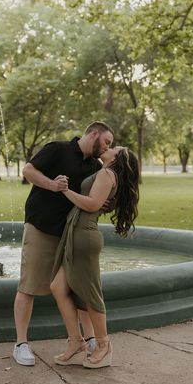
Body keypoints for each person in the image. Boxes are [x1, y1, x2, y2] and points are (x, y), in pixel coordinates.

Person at [12, 121, 115, 366]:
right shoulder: (58, 148)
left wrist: (102, 204)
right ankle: (20, 344)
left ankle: (88, 339)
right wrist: (52, 185)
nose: (107, 147)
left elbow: (90, 198)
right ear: (95, 134)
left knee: (76, 287)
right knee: (28, 285)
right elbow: (28, 171)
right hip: (41, 227)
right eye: (107, 142)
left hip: (71, 234)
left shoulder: (95, 166)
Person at [50, 146, 140, 369]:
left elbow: (91, 204)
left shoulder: (107, 174)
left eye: (115, 147)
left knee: (90, 294)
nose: (110, 147)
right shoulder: (105, 172)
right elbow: (97, 201)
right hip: (77, 232)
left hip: (85, 236)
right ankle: (76, 342)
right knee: (57, 287)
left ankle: (104, 345)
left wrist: (64, 190)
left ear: (118, 158)